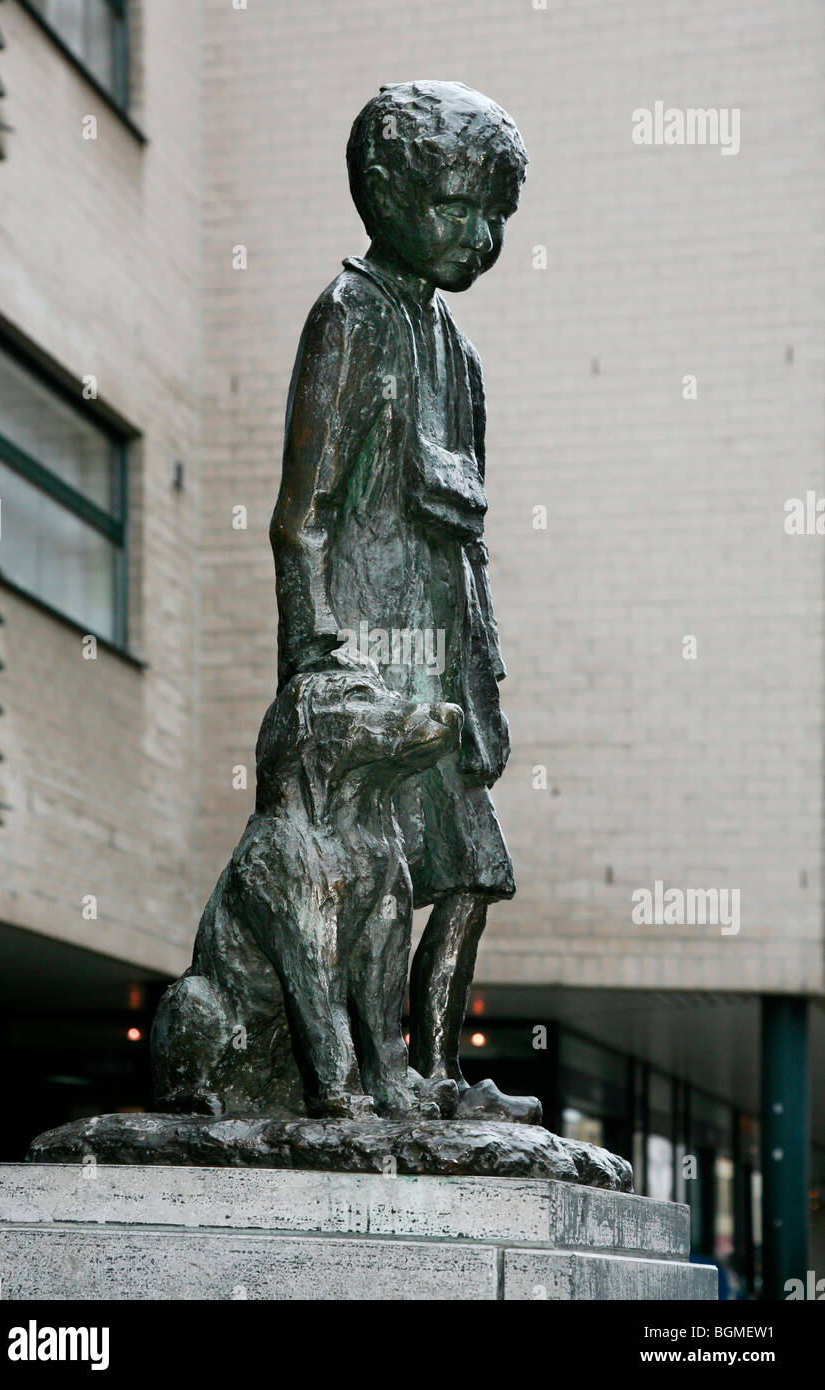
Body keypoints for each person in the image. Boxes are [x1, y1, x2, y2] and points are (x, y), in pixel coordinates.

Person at [271, 81, 539, 1121]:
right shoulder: (351, 317)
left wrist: (485, 670)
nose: (480, 237)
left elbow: (466, 538)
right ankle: (368, 1071)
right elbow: (303, 515)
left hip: (447, 660)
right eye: (460, 207)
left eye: (498, 218)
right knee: (371, 883)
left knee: (471, 869)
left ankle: (433, 1069)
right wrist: (318, 661)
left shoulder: (457, 351)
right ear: (387, 193)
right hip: (370, 665)